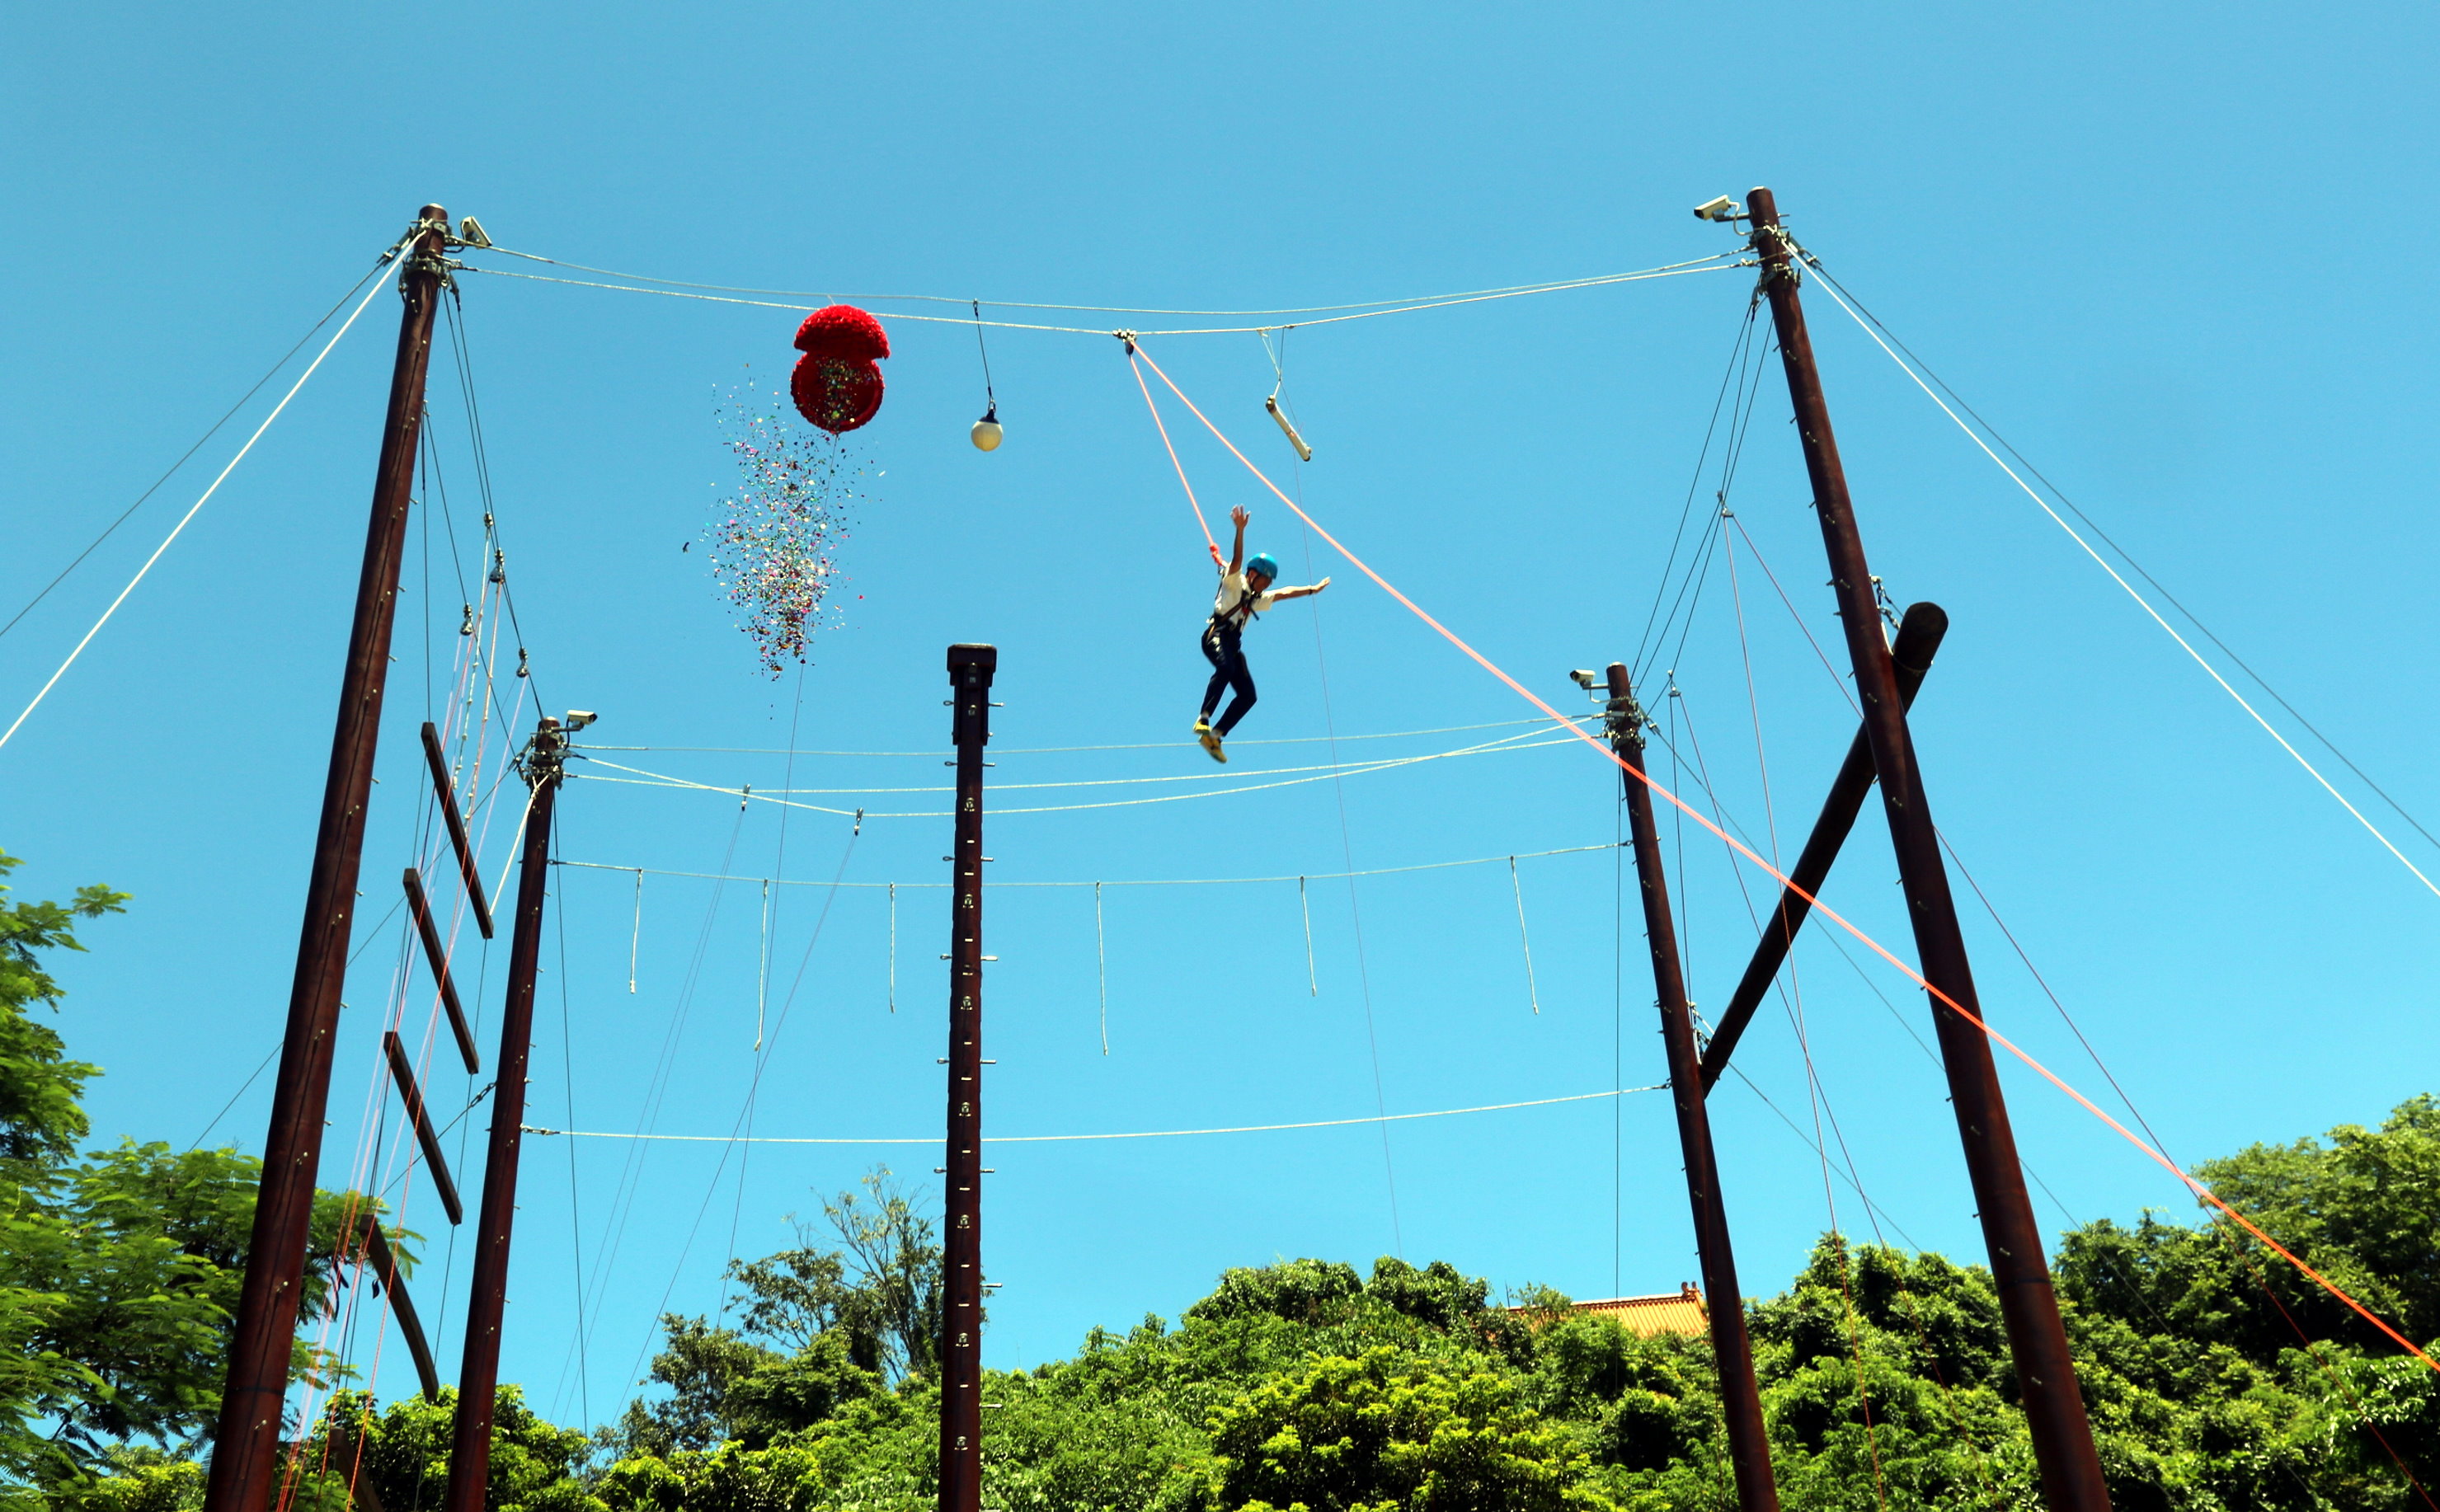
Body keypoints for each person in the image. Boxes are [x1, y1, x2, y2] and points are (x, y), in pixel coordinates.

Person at [1195, 505, 1329, 762]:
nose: (1268, 585)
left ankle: (1216, 736)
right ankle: (1204, 718)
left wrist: (1312, 589)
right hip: (1216, 634)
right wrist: (1240, 531)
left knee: (1248, 696)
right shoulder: (1236, 581)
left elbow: (1283, 593)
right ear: (1254, 574)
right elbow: (1236, 560)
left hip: (1233, 644)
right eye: (1266, 580)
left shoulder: (1256, 598)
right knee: (1224, 669)